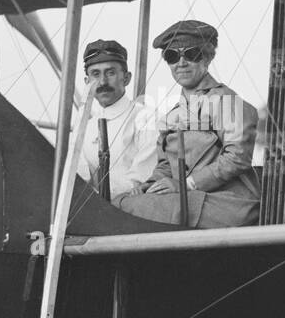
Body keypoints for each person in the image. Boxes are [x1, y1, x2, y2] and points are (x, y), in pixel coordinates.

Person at [115, 20, 260, 227]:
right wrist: (149, 185)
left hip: (227, 203)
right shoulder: (174, 113)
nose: (181, 63)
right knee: (122, 203)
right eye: (172, 56)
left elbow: (237, 159)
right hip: (189, 199)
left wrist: (186, 185)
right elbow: (165, 165)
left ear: (208, 57)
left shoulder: (228, 102)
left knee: (126, 210)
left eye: (191, 54)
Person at [73, 39, 158, 199]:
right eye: (95, 74)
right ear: (87, 82)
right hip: (91, 210)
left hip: (132, 209)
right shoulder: (84, 127)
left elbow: (140, 178)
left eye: (110, 72)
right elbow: (80, 177)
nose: (103, 82)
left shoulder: (147, 118)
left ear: (126, 78)